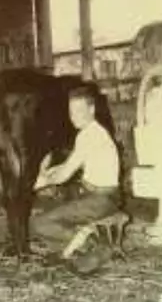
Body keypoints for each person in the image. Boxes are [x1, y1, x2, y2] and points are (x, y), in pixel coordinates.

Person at [30, 86, 126, 271]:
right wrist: (48, 172)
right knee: (53, 208)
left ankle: (93, 245)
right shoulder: (93, 131)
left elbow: (64, 175)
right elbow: (70, 163)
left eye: (79, 111)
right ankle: (73, 249)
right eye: (71, 112)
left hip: (101, 200)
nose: (74, 117)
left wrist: (39, 182)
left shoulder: (89, 136)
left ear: (92, 109)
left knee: (39, 223)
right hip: (100, 195)